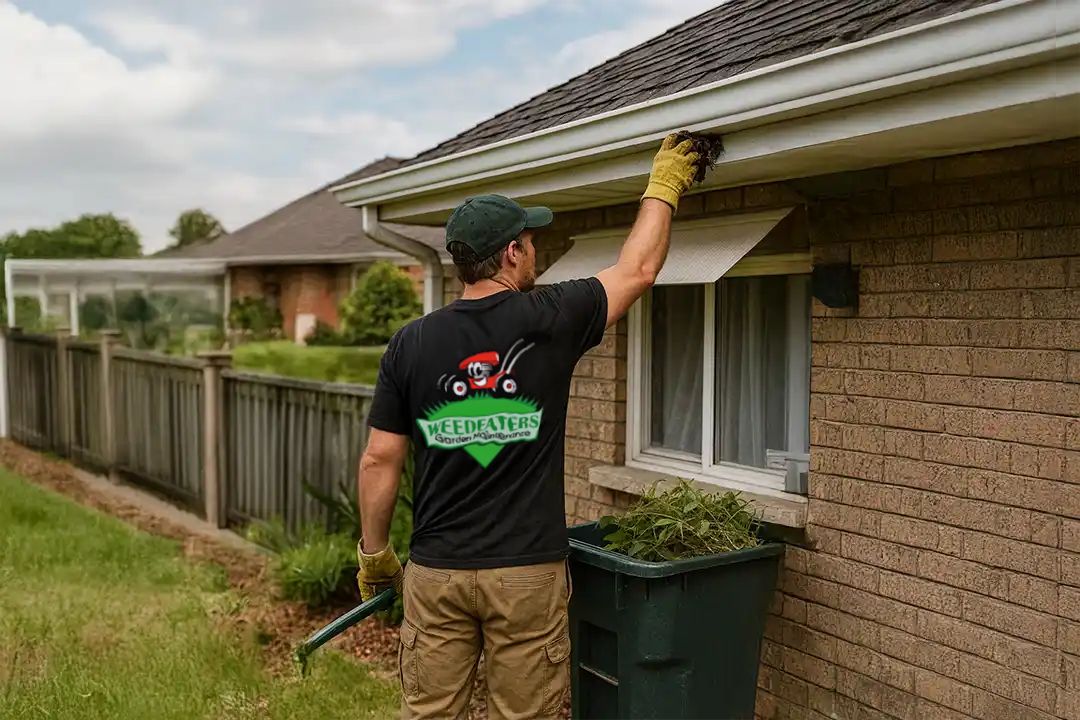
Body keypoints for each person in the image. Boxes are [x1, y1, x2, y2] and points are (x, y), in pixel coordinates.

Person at [354, 133, 703, 719]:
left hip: (438, 572)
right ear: (512, 253)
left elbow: (378, 460)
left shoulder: (410, 343)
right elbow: (638, 270)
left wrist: (375, 555)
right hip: (526, 575)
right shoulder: (549, 317)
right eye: (532, 240)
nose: (536, 250)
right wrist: (663, 183)